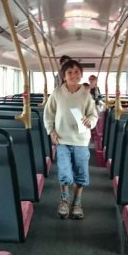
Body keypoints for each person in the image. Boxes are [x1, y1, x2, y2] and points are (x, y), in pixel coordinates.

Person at [44, 59, 98, 219]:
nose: (73, 75)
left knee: (81, 173)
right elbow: (49, 114)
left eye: (76, 72)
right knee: (64, 173)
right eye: (69, 72)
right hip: (62, 140)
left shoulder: (86, 94)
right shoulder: (57, 93)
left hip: (81, 140)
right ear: (64, 75)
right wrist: (51, 131)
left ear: (81, 75)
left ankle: (77, 203)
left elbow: (93, 114)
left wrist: (91, 121)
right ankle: (64, 200)